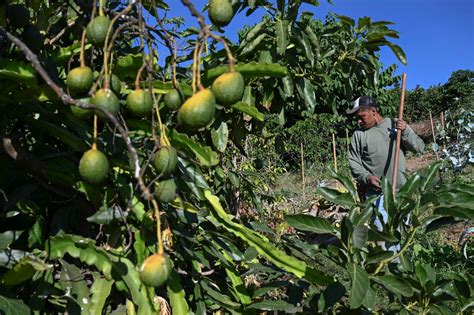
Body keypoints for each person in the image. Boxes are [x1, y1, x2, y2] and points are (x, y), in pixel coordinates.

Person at [347, 96, 424, 251]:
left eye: (362, 117)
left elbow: (419, 148)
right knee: (384, 237)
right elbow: (354, 163)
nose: (359, 122)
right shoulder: (359, 135)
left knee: (405, 234)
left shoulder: (394, 125)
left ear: (373, 111)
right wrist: (367, 177)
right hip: (377, 195)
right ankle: (391, 268)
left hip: (403, 191)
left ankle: (404, 267)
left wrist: (406, 130)